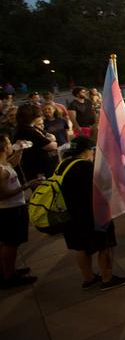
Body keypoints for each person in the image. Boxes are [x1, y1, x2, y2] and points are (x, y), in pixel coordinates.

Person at [60, 137, 125, 290]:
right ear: (87, 151)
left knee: (81, 247)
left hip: (71, 216)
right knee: (104, 245)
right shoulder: (86, 167)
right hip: (93, 215)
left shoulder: (63, 165)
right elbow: (103, 188)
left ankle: (89, 278)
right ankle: (107, 278)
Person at [0, 135, 41, 288]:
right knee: (10, 244)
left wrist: (20, 150)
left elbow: (12, 164)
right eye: (9, 143)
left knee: (9, 243)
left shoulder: (4, 164)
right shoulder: (0, 170)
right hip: (9, 210)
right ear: (4, 147)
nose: (11, 144)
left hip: (12, 208)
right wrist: (26, 186)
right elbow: (2, 195)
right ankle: (9, 276)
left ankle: (7, 270)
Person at [14, 104, 59, 183]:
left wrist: (50, 139)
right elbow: (51, 146)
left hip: (44, 167)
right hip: (38, 170)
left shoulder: (32, 127)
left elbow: (51, 136)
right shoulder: (28, 131)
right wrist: (51, 141)